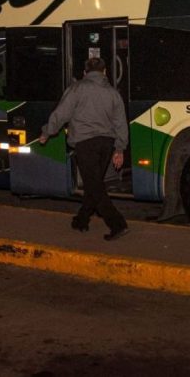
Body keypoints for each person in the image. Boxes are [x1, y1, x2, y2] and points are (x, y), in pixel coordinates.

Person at [38, 57, 129, 241]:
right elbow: (121, 124)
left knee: (94, 186)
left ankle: (118, 224)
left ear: (85, 73)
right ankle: (81, 220)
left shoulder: (77, 89)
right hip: (106, 144)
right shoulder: (113, 93)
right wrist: (119, 148)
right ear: (105, 72)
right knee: (93, 183)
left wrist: (47, 132)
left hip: (85, 144)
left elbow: (61, 114)